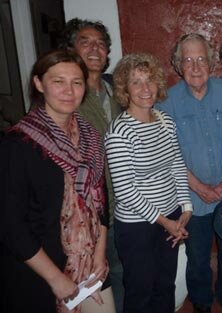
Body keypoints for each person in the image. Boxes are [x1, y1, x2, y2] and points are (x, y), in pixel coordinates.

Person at [0, 49, 115, 313]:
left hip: (90, 266)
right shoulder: (18, 144)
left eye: (77, 82)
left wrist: (99, 254)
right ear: (39, 84)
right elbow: (10, 224)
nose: (69, 90)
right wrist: (55, 278)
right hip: (38, 272)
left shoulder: (90, 137)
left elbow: (101, 201)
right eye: (58, 81)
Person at [157, 33, 222, 313]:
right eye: (188, 60)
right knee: (198, 256)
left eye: (201, 59)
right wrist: (197, 186)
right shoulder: (166, 102)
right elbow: (168, 152)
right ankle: (202, 303)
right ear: (178, 65)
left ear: (211, 63)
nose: (195, 66)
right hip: (192, 198)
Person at [104, 53, 192, 313]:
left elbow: (176, 164)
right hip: (137, 227)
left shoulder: (165, 121)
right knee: (140, 291)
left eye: (150, 80)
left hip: (171, 217)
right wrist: (167, 222)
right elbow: (125, 191)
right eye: (136, 82)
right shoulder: (119, 132)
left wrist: (186, 208)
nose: (145, 88)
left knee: (165, 285)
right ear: (124, 89)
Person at [60, 18, 123, 312]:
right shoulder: (65, 96)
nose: (95, 48)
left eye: (100, 43)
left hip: (129, 205)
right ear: (72, 48)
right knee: (101, 280)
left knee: (129, 273)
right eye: (86, 42)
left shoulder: (118, 88)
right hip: (94, 212)